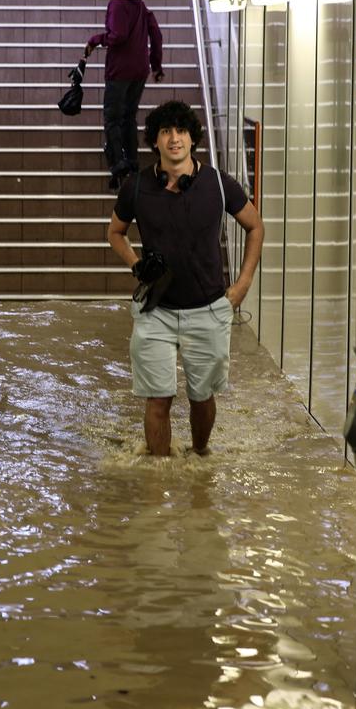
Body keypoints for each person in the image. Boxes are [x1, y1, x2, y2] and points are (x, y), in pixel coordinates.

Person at [107, 101, 264, 457]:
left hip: (208, 309)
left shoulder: (220, 185)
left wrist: (242, 285)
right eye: (166, 132)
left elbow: (255, 227)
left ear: (193, 138)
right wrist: (135, 264)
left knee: (201, 396)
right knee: (157, 398)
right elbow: (115, 232)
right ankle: (161, 478)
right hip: (155, 311)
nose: (174, 139)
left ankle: (199, 456)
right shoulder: (136, 187)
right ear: (156, 141)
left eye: (180, 131)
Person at [84, 0, 164, 190]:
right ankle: (133, 161)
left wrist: (96, 40)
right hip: (140, 70)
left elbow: (118, 35)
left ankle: (119, 164)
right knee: (129, 116)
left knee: (112, 118)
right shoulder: (139, 3)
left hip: (120, 71)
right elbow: (156, 33)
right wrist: (156, 65)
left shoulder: (117, 3)